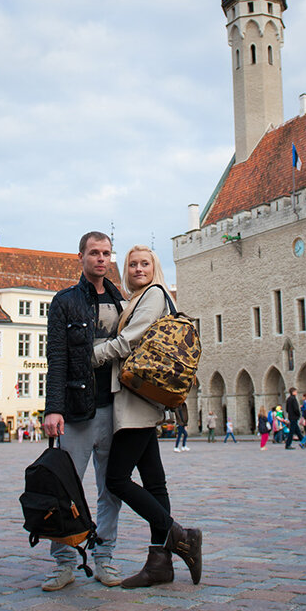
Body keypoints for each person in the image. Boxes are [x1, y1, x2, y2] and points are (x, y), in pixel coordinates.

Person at [94, 245, 203, 589]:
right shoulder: (139, 297)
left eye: (145, 263)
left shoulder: (153, 294)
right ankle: (160, 564)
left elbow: (129, 341)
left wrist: (88, 356)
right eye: (132, 264)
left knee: (116, 480)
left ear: (155, 268)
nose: (138, 268)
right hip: (142, 397)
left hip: (136, 399)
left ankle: (182, 537)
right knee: (155, 483)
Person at [40, 231, 124, 591]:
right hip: (77, 410)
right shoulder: (64, 302)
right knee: (65, 489)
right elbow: (56, 358)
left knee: (111, 490)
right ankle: (64, 562)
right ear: (81, 257)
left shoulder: (123, 301)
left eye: (106, 253)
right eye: (94, 253)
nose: (101, 259)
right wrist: (52, 409)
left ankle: (104, 559)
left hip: (117, 410)